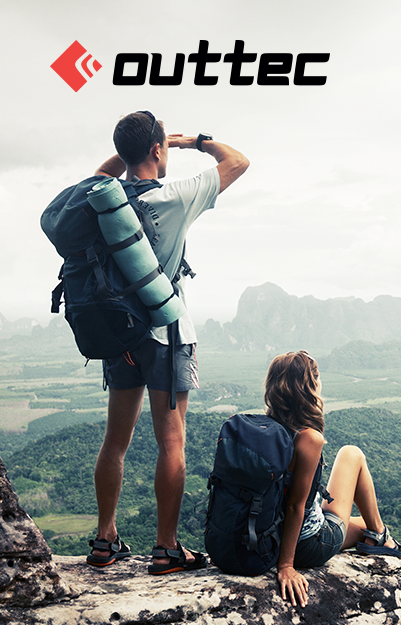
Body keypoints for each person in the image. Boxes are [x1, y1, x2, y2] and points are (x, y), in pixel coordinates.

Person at [87, 111, 249, 574]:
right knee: (171, 442)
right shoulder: (175, 196)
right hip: (166, 334)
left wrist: (138, 148)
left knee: (114, 441)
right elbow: (237, 161)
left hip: (120, 335)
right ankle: (166, 547)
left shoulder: (104, 196)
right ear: (156, 150)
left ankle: (104, 540)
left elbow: (100, 174)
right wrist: (188, 141)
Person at [255, 351, 401, 606]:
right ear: (309, 387)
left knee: (365, 528)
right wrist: (286, 566)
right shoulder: (308, 438)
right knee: (351, 454)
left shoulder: (265, 430)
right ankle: (384, 537)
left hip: (267, 536)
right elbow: (294, 506)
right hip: (307, 544)